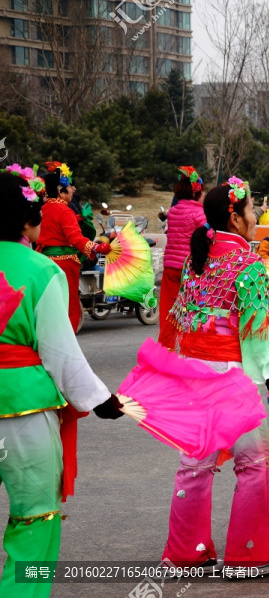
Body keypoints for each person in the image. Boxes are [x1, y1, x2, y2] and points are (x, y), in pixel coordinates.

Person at [0, 167, 123, 598]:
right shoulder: (40, 271)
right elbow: (60, 354)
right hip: (23, 412)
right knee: (34, 517)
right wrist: (101, 399)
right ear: (26, 222)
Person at [166, 178, 269, 569]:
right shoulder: (249, 265)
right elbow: (256, 337)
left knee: (195, 464)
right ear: (236, 219)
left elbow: (184, 321)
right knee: (255, 463)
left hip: (193, 373)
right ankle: (247, 554)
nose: (256, 217)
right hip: (230, 376)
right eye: (252, 210)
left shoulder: (195, 261)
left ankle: (186, 553)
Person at [36, 162, 111, 331]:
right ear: (60, 191)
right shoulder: (64, 211)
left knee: (51, 306)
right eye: (69, 186)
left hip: (45, 262)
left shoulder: (44, 208)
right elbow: (75, 238)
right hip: (64, 265)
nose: (73, 189)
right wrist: (96, 248)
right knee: (69, 306)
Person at [159, 166, 206, 349]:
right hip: (189, 268)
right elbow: (208, 236)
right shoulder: (199, 213)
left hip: (170, 266)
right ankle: (191, 348)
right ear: (197, 193)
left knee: (168, 310)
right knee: (193, 310)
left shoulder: (173, 211)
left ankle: (166, 348)